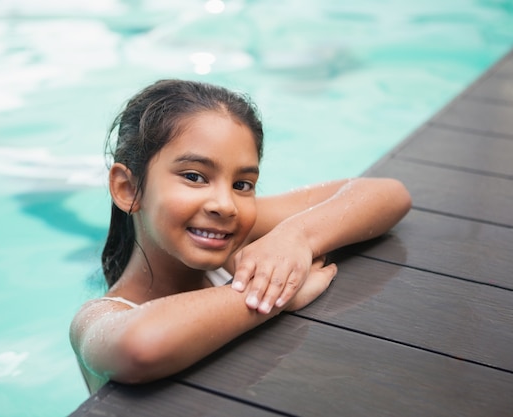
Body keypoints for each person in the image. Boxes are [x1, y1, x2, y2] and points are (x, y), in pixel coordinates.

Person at [69, 79, 412, 393]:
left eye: (242, 184)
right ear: (128, 189)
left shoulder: (230, 226)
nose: (225, 204)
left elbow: (387, 194)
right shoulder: (98, 320)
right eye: (194, 176)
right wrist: (271, 295)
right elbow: (140, 347)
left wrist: (297, 236)